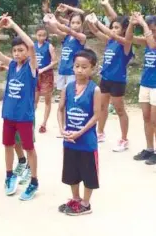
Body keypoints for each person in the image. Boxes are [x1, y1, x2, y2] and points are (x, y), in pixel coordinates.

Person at [0, 14, 39, 201]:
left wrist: (13, 25)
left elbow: (32, 46)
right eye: (15, 51)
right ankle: (10, 176)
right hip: (8, 115)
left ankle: (34, 181)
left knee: (29, 148)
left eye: (21, 50)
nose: (17, 53)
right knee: (8, 146)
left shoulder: (31, 67)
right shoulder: (11, 65)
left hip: (24, 116)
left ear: (26, 52)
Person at [57, 49, 101, 216]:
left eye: (84, 67)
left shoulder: (94, 90)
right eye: (77, 66)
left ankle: (86, 203)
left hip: (86, 141)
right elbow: (60, 109)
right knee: (71, 172)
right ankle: (75, 199)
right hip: (69, 140)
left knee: (88, 173)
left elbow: (97, 115)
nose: (80, 70)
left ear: (92, 69)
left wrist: (80, 132)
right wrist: (62, 129)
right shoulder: (67, 87)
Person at [126, 13, 156, 165]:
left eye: (154, 30)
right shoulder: (149, 39)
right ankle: (149, 149)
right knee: (146, 118)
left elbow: (152, 45)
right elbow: (129, 39)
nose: (151, 33)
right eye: (149, 30)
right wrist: (132, 24)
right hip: (146, 84)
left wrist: (144, 25)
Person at [86, 11, 133, 151]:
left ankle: (124, 139)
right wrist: (90, 20)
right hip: (105, 78)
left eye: (117, 27)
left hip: (118, 81)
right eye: (112, 27)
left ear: (124, 30)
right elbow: (95, 31)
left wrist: (98, 21)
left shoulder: (126, 43)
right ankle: (100, 133)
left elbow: (108, 33)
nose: (113, 30)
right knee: (102, 107)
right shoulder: (110, 41)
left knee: (119, 110)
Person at [45, 12, 86, 92]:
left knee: (71, 93)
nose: (75, 25)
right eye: (73, 23)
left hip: (72, 71)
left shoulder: (82, 37)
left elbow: (70, 31)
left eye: (78, 23)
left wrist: (56, 22)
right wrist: (48, 20)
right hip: (62, 69)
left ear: (82, 24)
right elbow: (55, 30)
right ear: (69, 23)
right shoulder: (66, 36)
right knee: (62, 93)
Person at [34, 26, 57, 133]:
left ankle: (44, 123)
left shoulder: (49, 46)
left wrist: (44, 69)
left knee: (47, 99)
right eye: (39, 35)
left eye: (44, 35)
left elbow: (54, 61)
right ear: (35, 35)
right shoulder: (32, 46)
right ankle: (30, 121)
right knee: (35, 99)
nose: (41, 37)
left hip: (47, 75)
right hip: (35, 75)